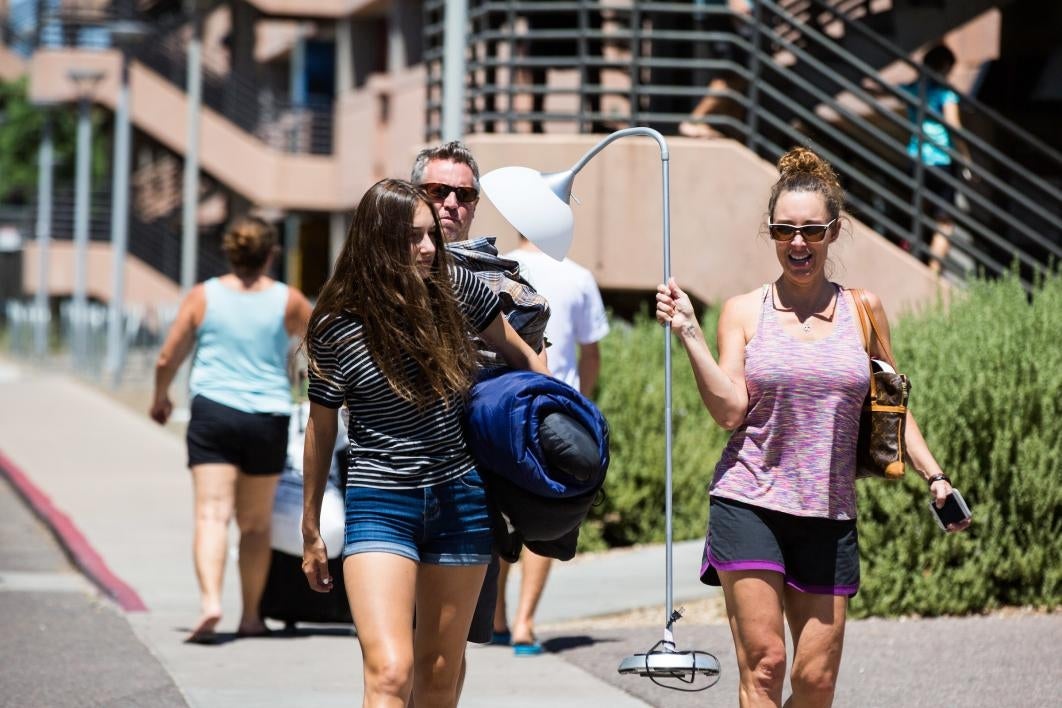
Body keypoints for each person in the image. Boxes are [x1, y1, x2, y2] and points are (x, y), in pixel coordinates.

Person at [655, 146, 970, 707]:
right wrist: (690, 334)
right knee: (767, 666)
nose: (797, 243)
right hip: (749, 501)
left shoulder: (864, 310)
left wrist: (936, 478)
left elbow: (890, 405)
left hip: (828, 511)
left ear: (834, 231)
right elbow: (729, 411)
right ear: (771, 233)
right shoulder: (743, 311)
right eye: (784, 230)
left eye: (812, 231)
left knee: (816, 681)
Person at [300, 179, 548, 708]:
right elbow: (320, 428)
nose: (430, 248)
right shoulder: (336, 324)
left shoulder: (458, 288)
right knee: (391, 672)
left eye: (431, 234)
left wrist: (548, 429)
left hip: (459, 499)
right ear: (377, 241)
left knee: (439, 680)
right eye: (413, 238)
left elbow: (525, 359)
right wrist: (311, 526)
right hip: (379, 500)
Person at [410, 141, 551, 682]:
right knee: (391, 660)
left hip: (470, 486)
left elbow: (536, 380)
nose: (450, 203)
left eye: (464, 194)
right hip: (388, 478)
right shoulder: (378, 278)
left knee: (445, 659)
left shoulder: (511, 286)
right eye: (437, 191)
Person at [150, 216, 312, 644]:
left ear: (229, 250)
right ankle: (252, 617)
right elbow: (319, 346)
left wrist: (160, 397)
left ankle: (210, 604)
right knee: (255, 525)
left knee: (211, 514)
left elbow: (168, 356)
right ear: (271, 254)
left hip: (214, 413)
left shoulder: (203, 297)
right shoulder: (288, 300)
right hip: (267, 418)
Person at [493, 234, 610, 655]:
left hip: (505, 410)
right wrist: (583, 403)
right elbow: (591, 353)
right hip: (556, 418)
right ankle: (524, 623)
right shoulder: (578, 277)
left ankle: (497, 617)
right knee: (547, 514)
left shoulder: (496, 267)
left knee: (501, 513)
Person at [900, 43, 975, 274]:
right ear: (944, 67)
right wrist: (966, 159)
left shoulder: (913, 89)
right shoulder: (945, 93)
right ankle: (932, 271)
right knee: (945, 220)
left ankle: (911, 261)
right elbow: (954, 127)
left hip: (916, 156)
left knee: (918, 213)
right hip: (942, 159)